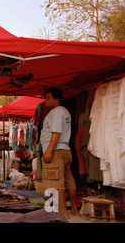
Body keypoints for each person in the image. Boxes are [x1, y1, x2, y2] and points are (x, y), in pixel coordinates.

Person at [41, 88, 80, 219]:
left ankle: (63, 213)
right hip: (65, 150)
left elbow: (56, 132)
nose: (45, 101)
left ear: (56, 99)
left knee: (56, 183)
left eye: (48, 98)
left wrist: (49, 151)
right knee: (68, 180)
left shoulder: (57, 112)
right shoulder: (65, 111)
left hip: (56, 151)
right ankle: (74, 210)